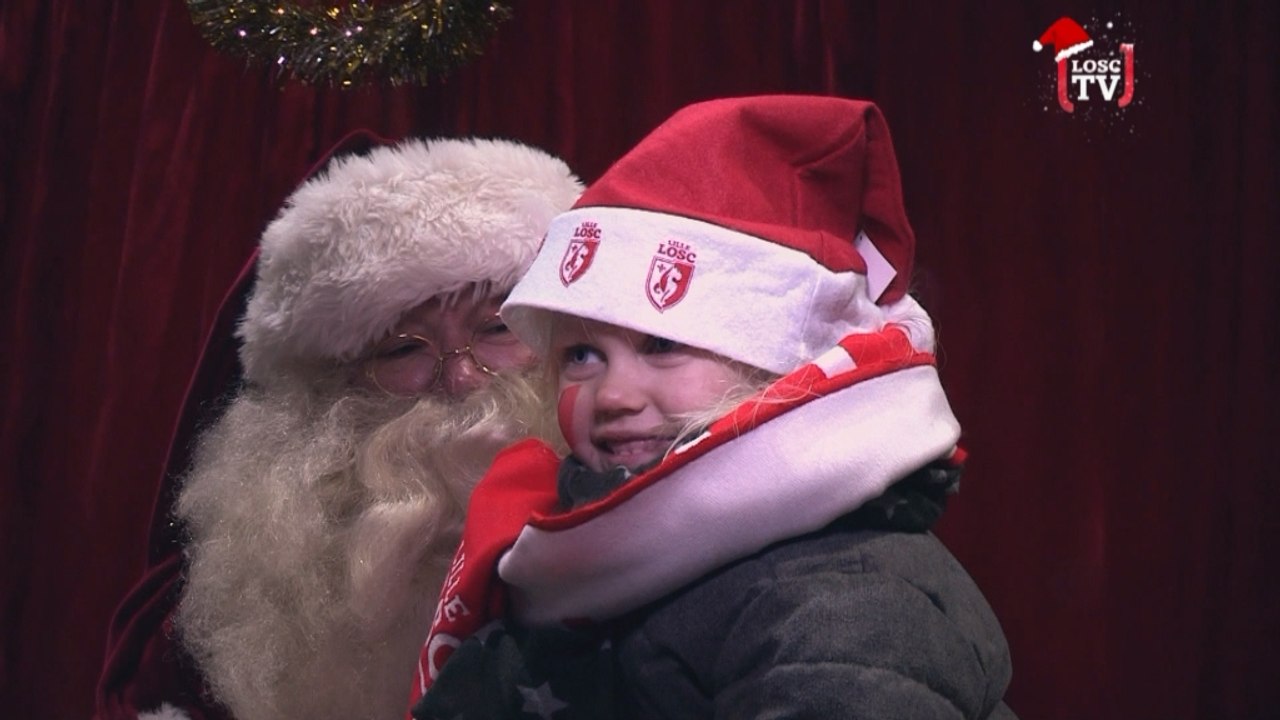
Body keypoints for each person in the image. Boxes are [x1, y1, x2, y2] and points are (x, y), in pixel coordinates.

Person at [411, 95, 1017, 719]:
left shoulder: (845, 598)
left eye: (663, 345)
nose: (613, 396)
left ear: (781, 372)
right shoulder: (587, 560)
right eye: (582, 355)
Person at [93, 136, 583, 720]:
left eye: (497, 328)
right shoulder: (239, 598)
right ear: (331, 394)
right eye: (403, 349)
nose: (460, 377)